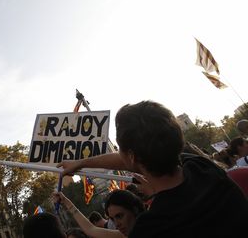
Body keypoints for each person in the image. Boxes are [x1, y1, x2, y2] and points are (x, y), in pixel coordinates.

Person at [57, 100, 248, 238]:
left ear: (132, 156)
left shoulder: (151, 228)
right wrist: (81, 163)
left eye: (120, 148)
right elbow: (138, 157)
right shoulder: (201, 168)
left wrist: (80, 163)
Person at [53, 192, 127, 238]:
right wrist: (66, 202)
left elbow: (90, 229)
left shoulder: (129, 233)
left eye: (119, 216)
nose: (117, 224)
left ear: (135, 209)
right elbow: (90, 229)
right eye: (112, 219)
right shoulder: (123, 235)